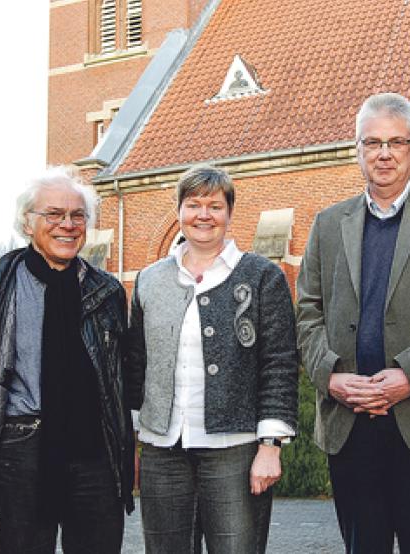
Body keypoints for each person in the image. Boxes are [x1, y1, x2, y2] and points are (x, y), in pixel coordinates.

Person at [296, 92, 410, 553]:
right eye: (372, 142)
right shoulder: (327, 223)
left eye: (395, 142)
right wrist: (333, 377)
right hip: (351, 421)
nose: (384, 153)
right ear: (357, 149)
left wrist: (409, 375)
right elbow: (306, 311)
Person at [0, 166, 134, 554]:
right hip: (22, 452)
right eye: (53, 214)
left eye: (76, 215)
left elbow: (126, 375)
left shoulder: (107, 293)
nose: (66, 225)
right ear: (27, 222)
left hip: (95, 451)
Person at [125, 164, 298, 553]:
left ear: (229, 213)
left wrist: (270, 445)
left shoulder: (260, 276)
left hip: (234, 448)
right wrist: (133, 437)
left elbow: (280, 363)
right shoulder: (151, 279)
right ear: (179, 212)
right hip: (162, 449)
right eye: (193, 204)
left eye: (215, 206)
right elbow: (136, 362)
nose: (204, 215)